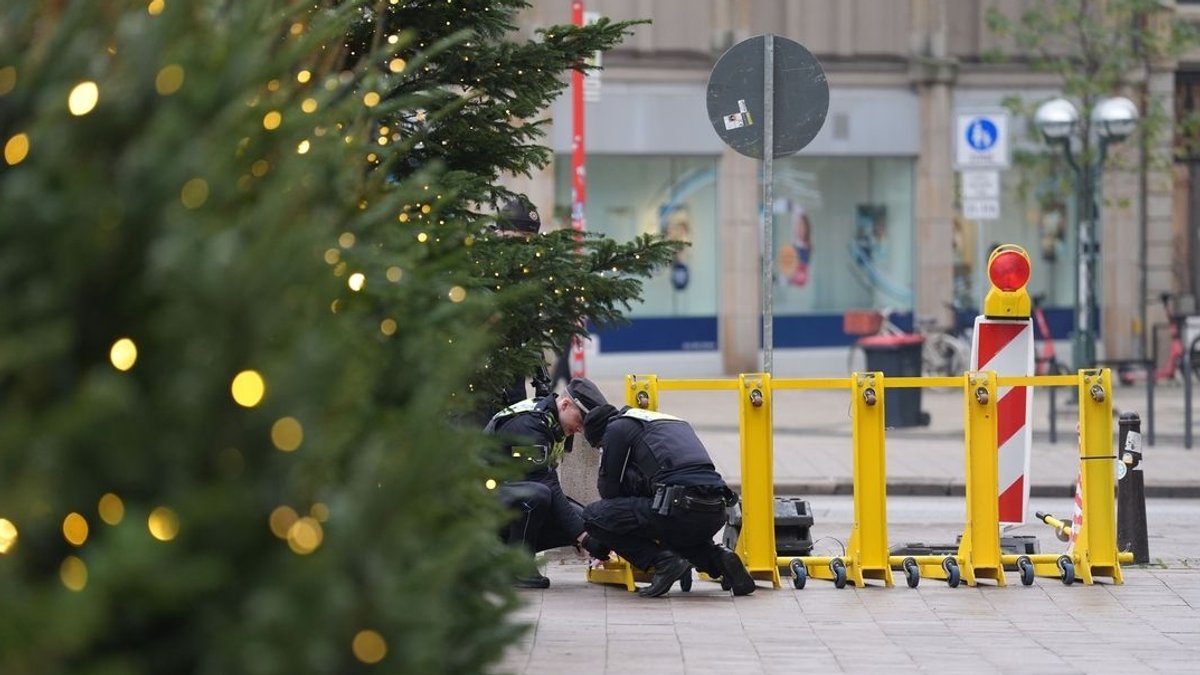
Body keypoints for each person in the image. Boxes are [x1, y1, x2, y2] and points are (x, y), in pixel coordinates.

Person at [568, 379, 756, 598]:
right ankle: (720, 558)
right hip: (715, 509)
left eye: (600, 446)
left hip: (679, 507)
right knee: (665, 524)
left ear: (600, 436)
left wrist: (609, 459)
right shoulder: (663, 420)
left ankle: (664, 563)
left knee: (594, 517)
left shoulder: (616, 429)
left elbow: (609, 492)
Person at [485, 381, 610, 588]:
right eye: (581, 420)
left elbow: (551, 488)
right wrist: (585, 538)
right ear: (565, 405)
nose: (580, 429)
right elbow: (545, 484)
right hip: (480, 503)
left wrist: (595, 530)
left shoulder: (549, 422)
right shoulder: (530, 426)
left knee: (581, 518)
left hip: (503, 499)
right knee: (536, 495)